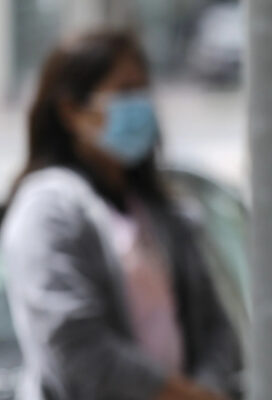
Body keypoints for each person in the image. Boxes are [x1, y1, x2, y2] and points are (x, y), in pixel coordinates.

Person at [0, 31, 240, 400]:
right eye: (125, 92)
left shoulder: (162, 209)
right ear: (72, 111)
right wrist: (177, 394)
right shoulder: (48, 208)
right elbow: (74, 343)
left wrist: (206, 389)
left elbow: (215, 327)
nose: (140, 106)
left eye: (144, 90)